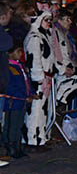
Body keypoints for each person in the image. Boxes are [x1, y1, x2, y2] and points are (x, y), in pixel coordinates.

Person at [24, 11, 55, 151]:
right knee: (35, 111)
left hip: (44, 77)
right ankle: (32, 140)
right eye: (46, 20)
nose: (49, 23)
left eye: (50, 20)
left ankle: (39, 139)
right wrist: (39, 78)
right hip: (38, 79)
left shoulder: (42, 36)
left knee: (41, 111)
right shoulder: (35, 38)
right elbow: (34, 60)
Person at [2, 41, 30, 160]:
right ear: (10, 53)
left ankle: (17, 146)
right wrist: (23, 96)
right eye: (18, 51)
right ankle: (11, 147)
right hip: (13, 101)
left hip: (22, 101)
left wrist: (31, 94)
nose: (20, 54)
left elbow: (26, 82)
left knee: (18, 124)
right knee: (12, 125)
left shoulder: (20, 66)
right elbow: (10, 87)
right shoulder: (7, 68)